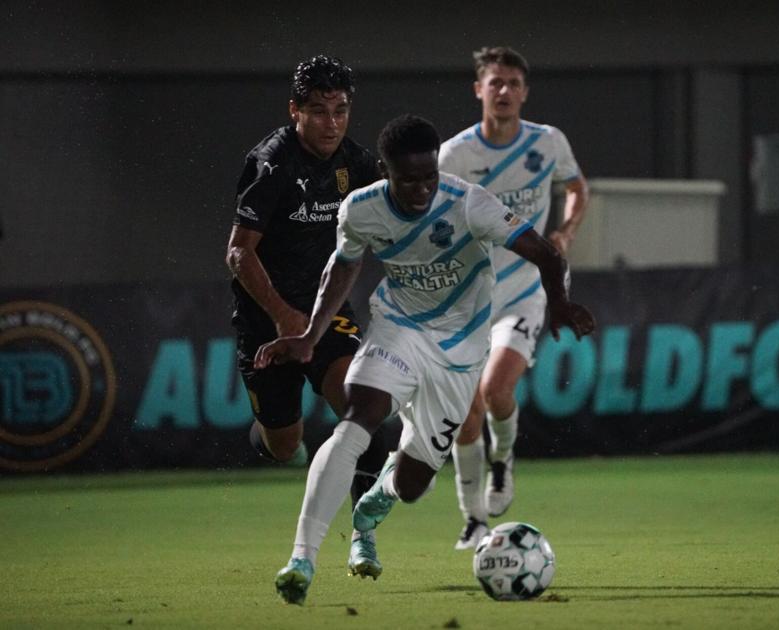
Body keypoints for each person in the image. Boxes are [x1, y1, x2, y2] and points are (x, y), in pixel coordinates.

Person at [254, 114, 596, 605]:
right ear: (385, 171)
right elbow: (344, 264)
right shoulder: (361, 209)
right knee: (358, 419)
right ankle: (302, 559)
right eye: (408, 179)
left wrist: (559, 303)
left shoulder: (469, 204)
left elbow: (544, 252)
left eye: (429, 177)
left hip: (460, 354)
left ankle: (376, 503)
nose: (421, 189)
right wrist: (311, 333)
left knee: (414, 484)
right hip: (399, 329)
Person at [225, 55, 390, 580]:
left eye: (341, 110)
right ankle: (272, 436)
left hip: (328, 313)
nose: (332, 123)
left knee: (364, 407)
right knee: (284, 444)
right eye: (318, 111)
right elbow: (237, 253)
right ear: (294, 110)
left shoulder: (359, 164)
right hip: (265, 322)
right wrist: (283, 317)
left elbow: (398, 215)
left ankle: (362, 538)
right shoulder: (270, 163)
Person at [438, 46, 591, 549]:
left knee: (496, 393)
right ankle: (473, 518)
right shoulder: (456, 155)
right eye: (494, 82)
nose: (503, 91)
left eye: (512, 83)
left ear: (524, 92)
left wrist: (565, 231)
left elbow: (576, 185)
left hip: (526, 291)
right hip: (470, 297)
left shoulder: (547, 142)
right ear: (478, 89)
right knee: (464, 416)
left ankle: (502, 462)